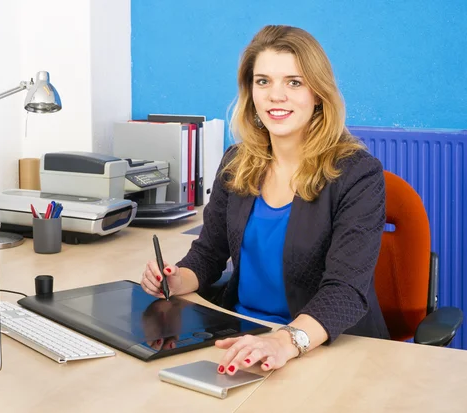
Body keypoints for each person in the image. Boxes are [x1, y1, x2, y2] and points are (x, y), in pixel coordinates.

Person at [140, 25, 390, 375]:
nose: (276, 96)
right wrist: (177, 278)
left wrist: (284, 341)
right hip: (241, 337)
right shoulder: (237, 162)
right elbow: (210, 252)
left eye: (294, 82)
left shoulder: (357, 174)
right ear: (250, 91)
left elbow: (346, 290)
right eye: (263, 81)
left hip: (320, 348)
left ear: (318, 93)